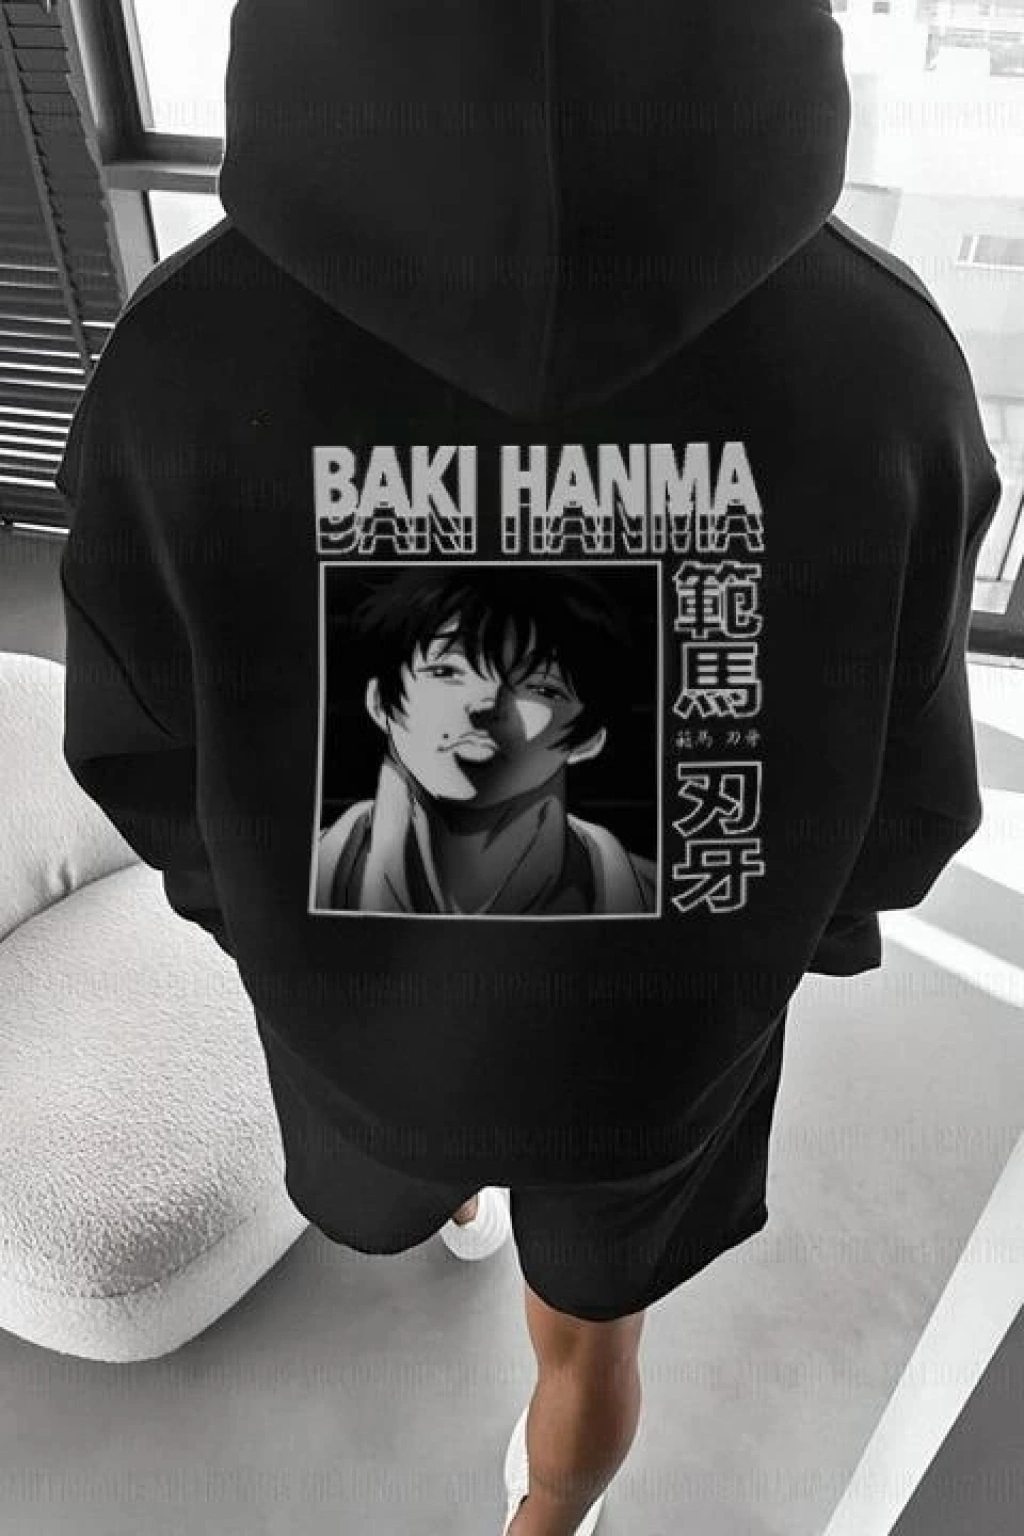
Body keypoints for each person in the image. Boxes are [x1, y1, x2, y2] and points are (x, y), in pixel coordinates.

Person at [56, 1, 1002, 1532]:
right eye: (447, 681)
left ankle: (469, 1224)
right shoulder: (887, 365)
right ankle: (551, 1518)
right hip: (664, 1051)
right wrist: (773, 946)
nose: (484, 715)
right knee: (594, 1335)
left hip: (360, 1038)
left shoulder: (178, 358)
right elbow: (914, 791)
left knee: (438, 1164)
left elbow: (138, 746)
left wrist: (274, 932)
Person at [314, 567, 657, 916]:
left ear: (590, 739)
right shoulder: (298, 883)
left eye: (542, 687)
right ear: (379, 702)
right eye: (446, 671)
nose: (486, 704)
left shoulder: (657, 896)